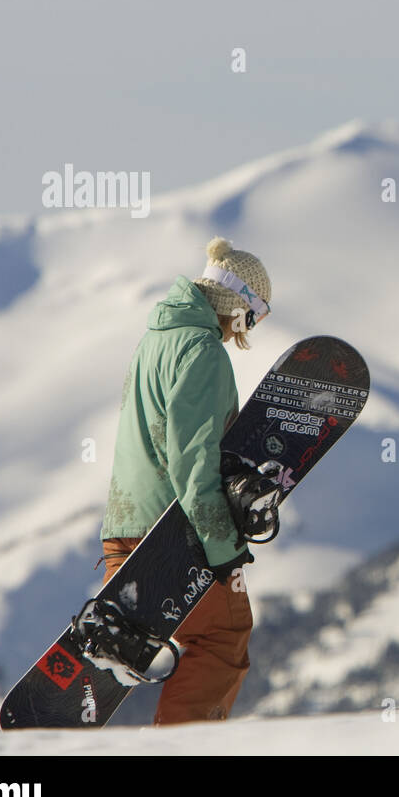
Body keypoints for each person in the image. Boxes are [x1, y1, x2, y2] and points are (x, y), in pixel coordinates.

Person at [100, 236, 272, 724]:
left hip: (125, 528)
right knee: (223, 637)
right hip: (173, 535)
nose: (249, 331)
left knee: (141, 642)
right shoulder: (203, 352)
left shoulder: (155, 339)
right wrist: (223, 549)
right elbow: (192, 462)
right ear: (239, 309)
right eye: (255, 317)